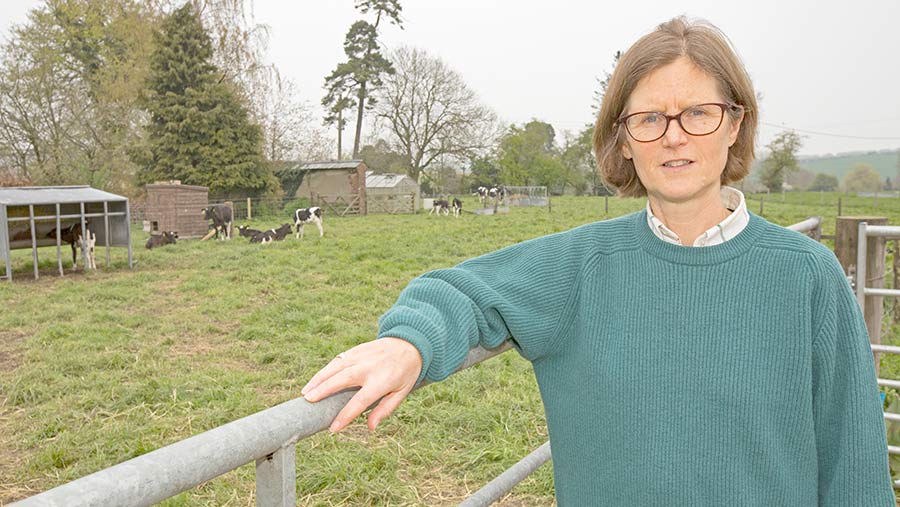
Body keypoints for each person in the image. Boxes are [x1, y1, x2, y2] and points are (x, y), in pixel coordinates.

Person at [302, 17, 894, 505]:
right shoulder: (578, 266)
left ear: (735, 123)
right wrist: (410, 343)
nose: (674, 136)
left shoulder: (806, 276)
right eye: (649, 118)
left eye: (699, 113)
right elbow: (463, 290)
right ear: (624, 137)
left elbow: (854, 462)